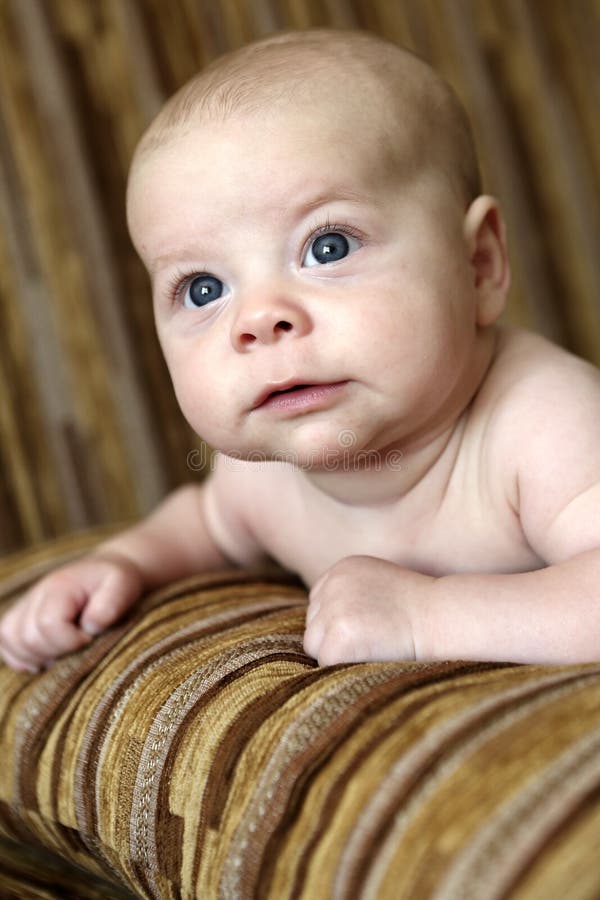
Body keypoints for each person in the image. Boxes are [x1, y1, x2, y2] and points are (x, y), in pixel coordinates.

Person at [2, 28, 600, 674]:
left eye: (328, 247)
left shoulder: (545, 425)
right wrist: (123, 563)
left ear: (478, 265)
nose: (258, 320)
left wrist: (428, 617)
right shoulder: (264, 478)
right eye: (204, 289)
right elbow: (206, 522)